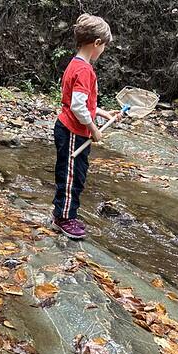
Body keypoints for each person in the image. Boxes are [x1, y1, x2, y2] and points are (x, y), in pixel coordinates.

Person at [51, 14, 118, 240]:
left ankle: (64, 212)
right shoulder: (84, 70)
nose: (103, 51)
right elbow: (78, 107)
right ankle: (64, 218)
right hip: (73, 131)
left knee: (74, 174)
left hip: (71, 128)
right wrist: (94, 128)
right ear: (96, 43)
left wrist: (101, 112)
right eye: (104, 46)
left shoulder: (76, 64)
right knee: (71, 176)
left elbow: (82, 102)